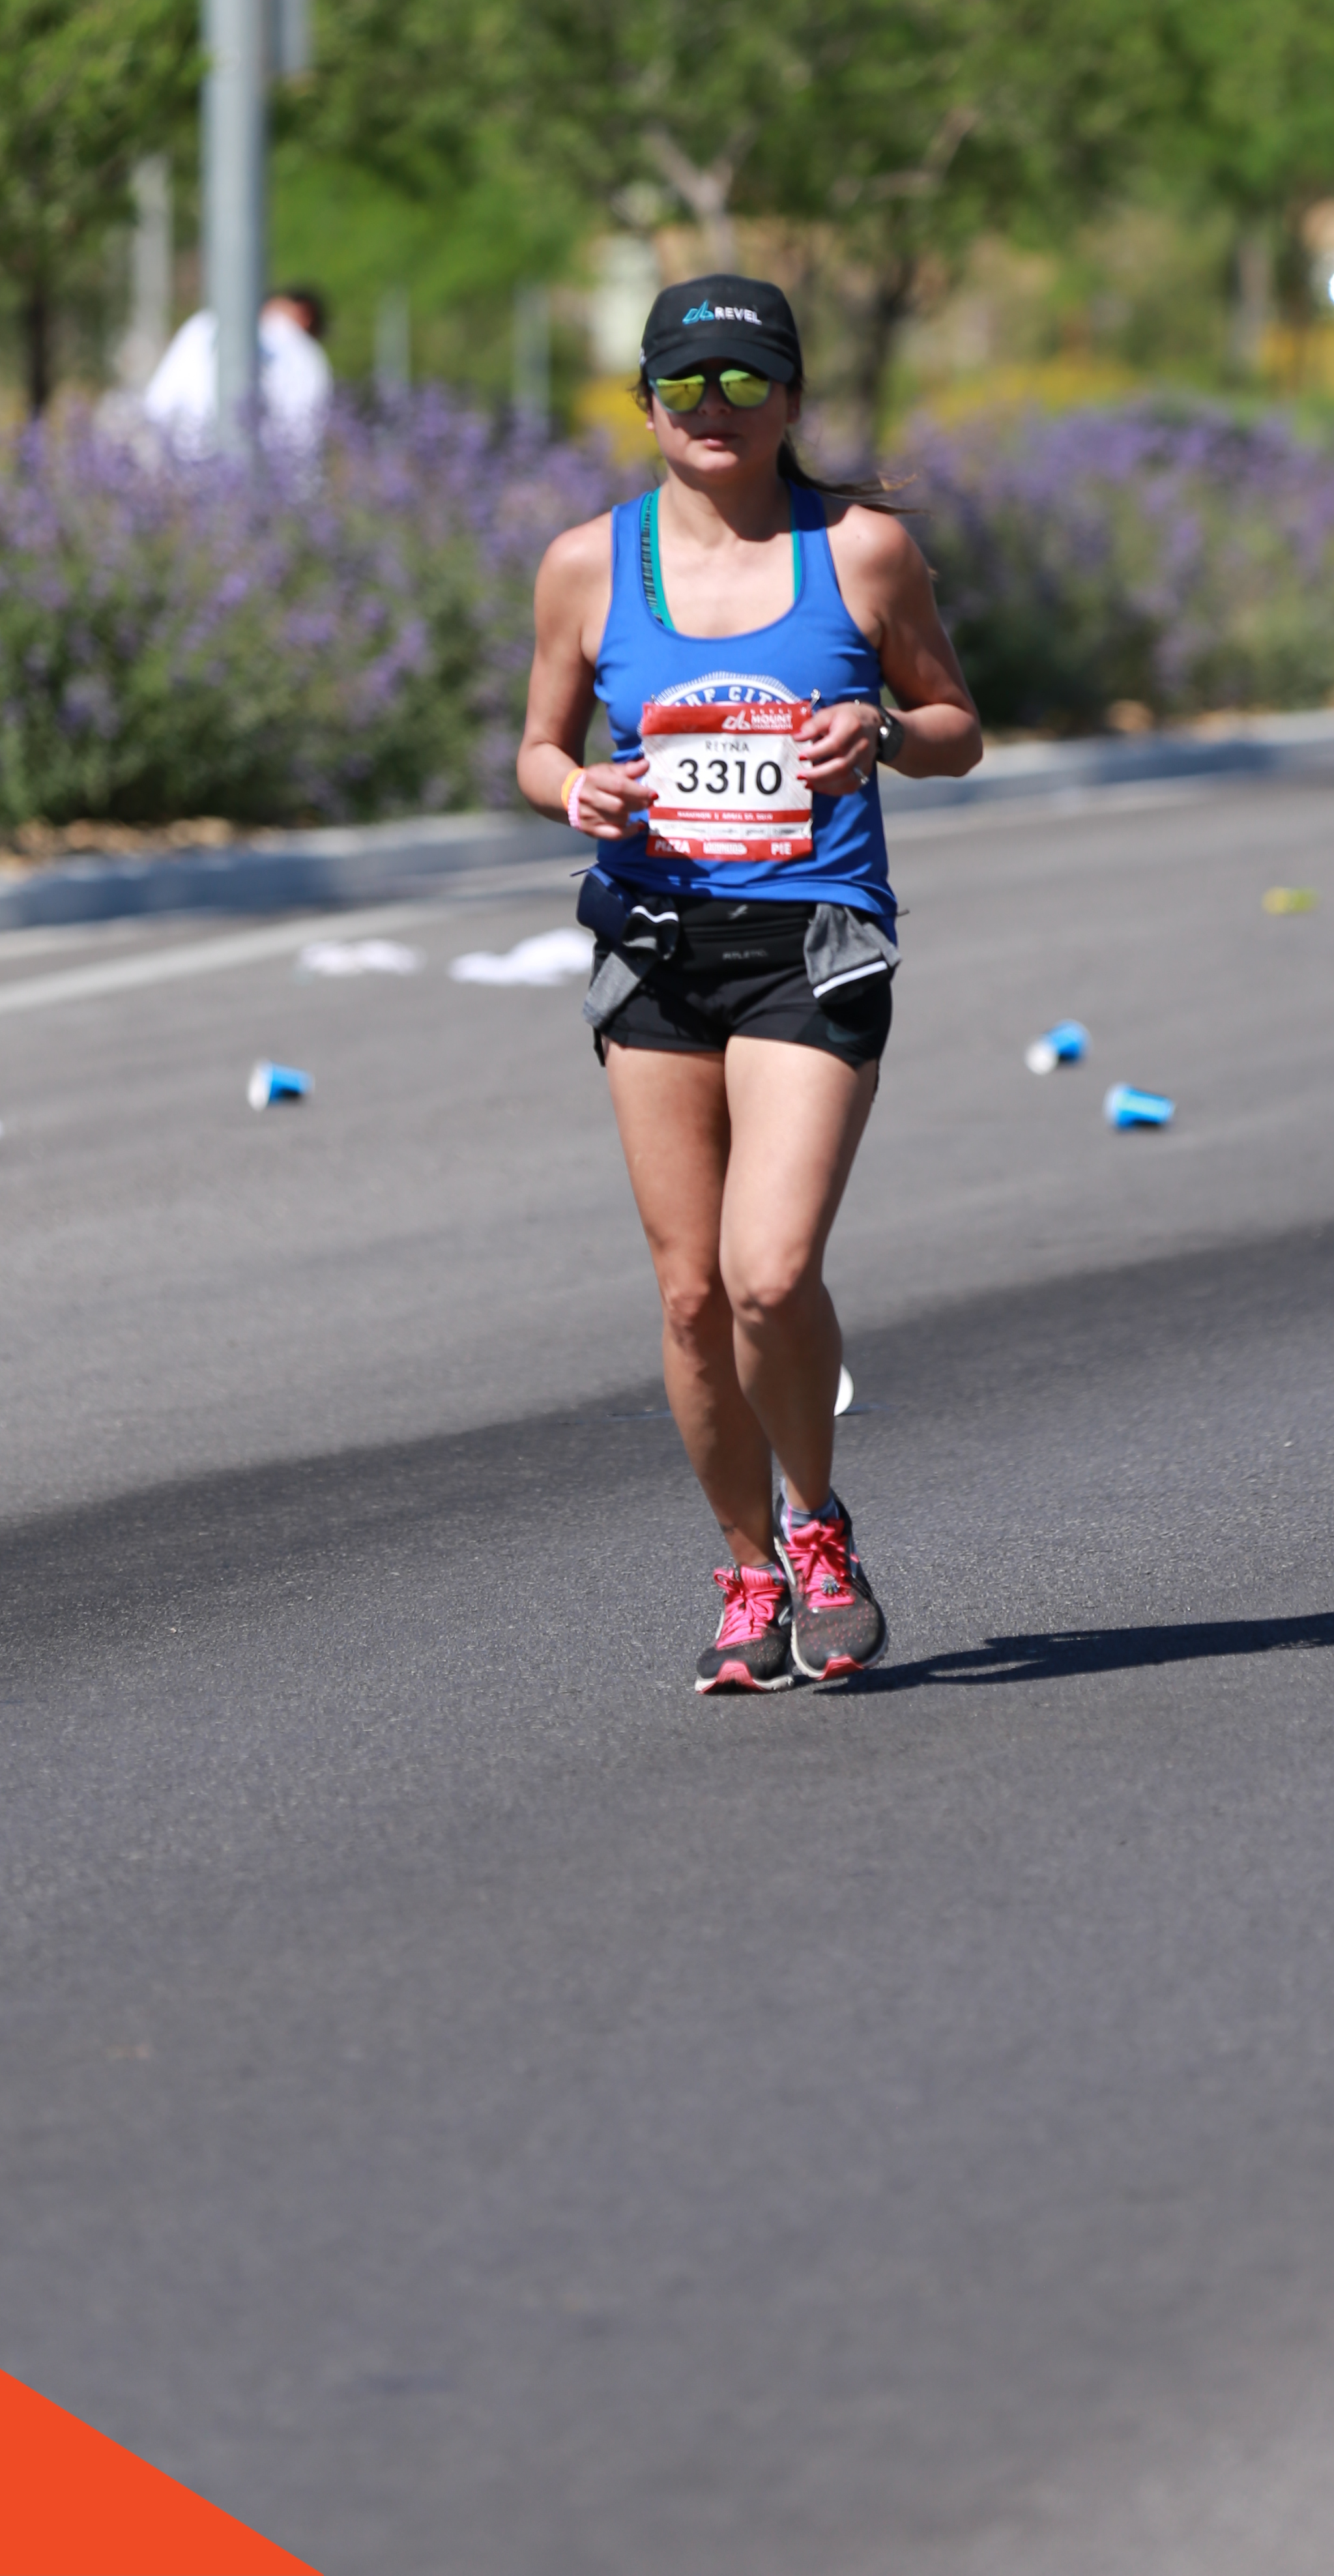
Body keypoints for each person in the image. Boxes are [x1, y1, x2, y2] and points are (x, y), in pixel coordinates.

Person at [517, 274, 981, 1692]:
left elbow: (958, 728)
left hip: (813, 943)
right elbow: (536, 748)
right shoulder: (588, 564)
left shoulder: (864, 551)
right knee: (687, 1298)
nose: (712, 409)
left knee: (766, 1277)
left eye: (742, 382)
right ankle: (747, 1570)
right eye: (685, 385)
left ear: (789, 398)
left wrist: (882, 734)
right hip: (655, 945)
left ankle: (817, 1525)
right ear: (646, 401)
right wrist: (576, 790)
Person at [141, 286, 331, 454]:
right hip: (268, 473)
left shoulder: (204, 324)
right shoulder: (307, 354)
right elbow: (306, 434)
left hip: (189, 463)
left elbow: (157, 404)